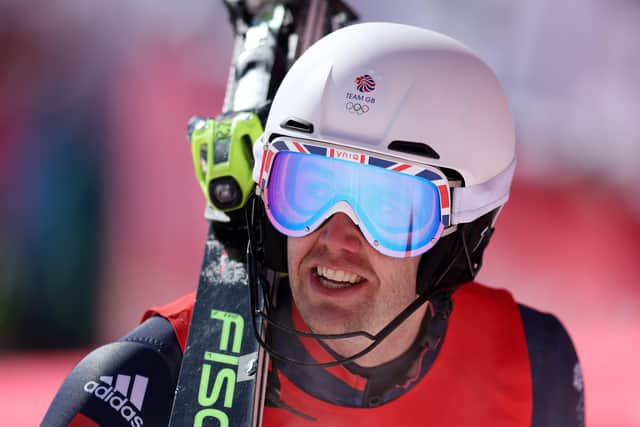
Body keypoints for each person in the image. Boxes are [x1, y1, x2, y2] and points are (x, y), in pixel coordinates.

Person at [43, 22, 584, 426]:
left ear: (463, 234)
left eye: (390, 208)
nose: (336, 239)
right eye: (307, 189)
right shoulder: (142, 384)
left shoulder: (533, 363)